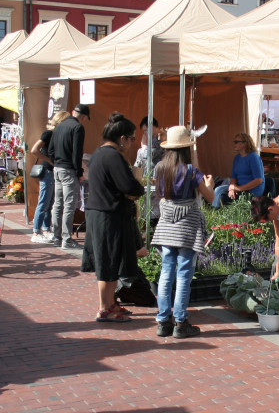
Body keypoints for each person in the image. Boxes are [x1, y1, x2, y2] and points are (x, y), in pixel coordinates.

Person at [151, 126, 215, 338]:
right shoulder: (191, 171)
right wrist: (209, 184)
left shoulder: (160, 167)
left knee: (166, 273)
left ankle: (163, 321)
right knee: (184, 274)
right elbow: (211, 198)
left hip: (167, 224)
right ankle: (180, 322)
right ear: (187, 147)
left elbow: (160, 194)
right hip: (187, 226)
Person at [82, 112, 145, 323]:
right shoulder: (113, 156)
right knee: (108, 262)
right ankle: (104, 308)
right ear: (122, 138)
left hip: (102, 213)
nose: (132, 143)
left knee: (110, 260)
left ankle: (110, 304)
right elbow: (129, 185)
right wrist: (138, 187)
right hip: (108, 216)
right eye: (132, 138)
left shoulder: (100, 153)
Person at [49, 104, 89, 250]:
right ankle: (66, 239)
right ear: (83, 117)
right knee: (69, 205)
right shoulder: (77, 128)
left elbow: (50, 150)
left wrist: (56, 162)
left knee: (58, 203)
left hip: (57, 168)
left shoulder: (59, 126)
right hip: (69, 170)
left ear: (73, 112)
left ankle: (56, 236)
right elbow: (77, 152)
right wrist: (79, 172)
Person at [29, 110, 70, 243]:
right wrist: (49, 161)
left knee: (50, 202)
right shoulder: (49, 133)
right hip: (47, 170)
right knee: (44, 201)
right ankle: (36, 231)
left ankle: (46, 229)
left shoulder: (58, 133)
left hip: (53, 171)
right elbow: (34, 150)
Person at [212, 132, 265, 207]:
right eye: (234, 142)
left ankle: (215, 212)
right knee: (218, 189)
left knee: (220, 192)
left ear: (245, 144)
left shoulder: (253, 157)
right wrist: (232, 189)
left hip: (252, 190)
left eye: (236, 142)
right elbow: (233, 177)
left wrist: (239, 188)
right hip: (239, 187)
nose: (234, 144)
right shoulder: (237, 158)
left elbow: (258, 180)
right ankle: (214, 211)